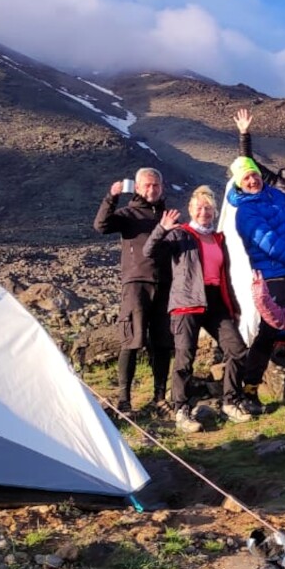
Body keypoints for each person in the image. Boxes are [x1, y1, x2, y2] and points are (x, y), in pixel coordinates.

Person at [227, 110, 285, 411]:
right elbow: (273, 245)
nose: (253, 179)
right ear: (239, 184)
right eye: (247, 177)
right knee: (269, 330)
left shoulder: (275, 196)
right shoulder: (245, 213)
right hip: (274, 275)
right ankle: (250, 388)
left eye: (254, 174)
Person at [145, 186, 253, 433]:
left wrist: (233, 306)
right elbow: (149, 251)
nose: (204, 212)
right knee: (185, 357)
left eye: (208, 208)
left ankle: (230, 401)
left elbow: (225, 277)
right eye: (199, 208)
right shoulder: (180, 234)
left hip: (215, 301)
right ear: (191, 210)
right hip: (187, 301)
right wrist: (162, 229)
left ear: (214, 212)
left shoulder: (218, 239)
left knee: (237, 350)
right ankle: (181, 410)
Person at [93, 167, 172, 414]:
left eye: (156, 185)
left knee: (162, 342)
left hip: (165, 284)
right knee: (132, 340)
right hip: (136, 283)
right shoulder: (128, 214)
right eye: (147, 185)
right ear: (137, 188)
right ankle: (124, 400)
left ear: (162, 187)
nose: (152, 189)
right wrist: (112, 197)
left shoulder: (168, 215)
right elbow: (101, 225)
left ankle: (159, 397)